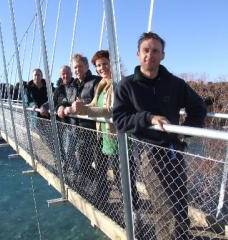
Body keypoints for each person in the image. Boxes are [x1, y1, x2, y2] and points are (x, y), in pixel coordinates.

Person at [113, 32, 206, 239]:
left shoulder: (175, 83)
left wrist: (184, 134)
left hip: (175, 152)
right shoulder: (127, 86)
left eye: (155, 51)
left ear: (163, 55)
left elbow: (198, 107)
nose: (150, 55)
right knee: (167, 211)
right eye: (146, 50)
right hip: (149, 154)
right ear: (138, 54)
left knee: (181, 206)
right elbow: (120, 120)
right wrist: (148, 118)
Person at [71, 50, 121, 210]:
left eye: (105, 64)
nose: (101, 68)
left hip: (117, 136)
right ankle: (103, 199)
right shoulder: (102, 84)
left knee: (122, 177)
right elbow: (94, 104)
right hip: (104, 135)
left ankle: (133, 211)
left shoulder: (117, 83)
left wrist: (85, 111)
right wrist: (82, 107)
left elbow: (110, 110)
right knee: (104, 170)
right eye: (98, 65)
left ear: (112, 64)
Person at [57, 53, 101, 197]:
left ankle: (101, 193)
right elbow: (67, 101)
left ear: (87, 66)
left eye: (80, 66)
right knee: (84, 165)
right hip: (79, 132)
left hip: (94, 132)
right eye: (75, 67)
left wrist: (83, 106)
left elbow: (100, 104)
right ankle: (99, 190)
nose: (77, 70)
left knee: (100, 167)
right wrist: (62, 107)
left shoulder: (96, 82)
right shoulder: (73, 84)